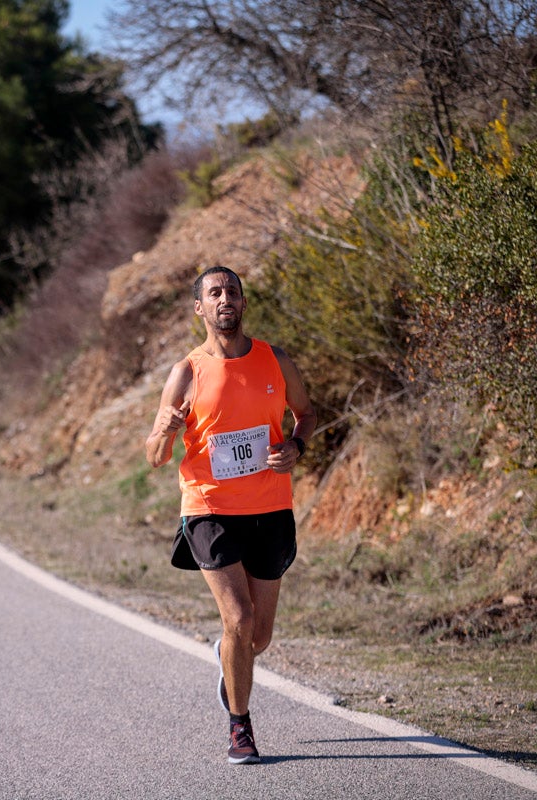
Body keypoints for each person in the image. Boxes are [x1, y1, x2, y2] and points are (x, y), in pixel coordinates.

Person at [144, 265, 316, 765]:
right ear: (200, 307)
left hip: (270, 506)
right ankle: (240, 727)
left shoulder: (274, 360)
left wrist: (296, 446)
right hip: (209, 508)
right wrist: (168, 431)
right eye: (214, 293)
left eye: (232, 292)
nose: (225, 300)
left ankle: (230, 662)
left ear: (243, 303)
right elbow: (154, 456)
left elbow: (307, 413)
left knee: (257, 636)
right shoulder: (186, 372)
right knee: (238, 618)